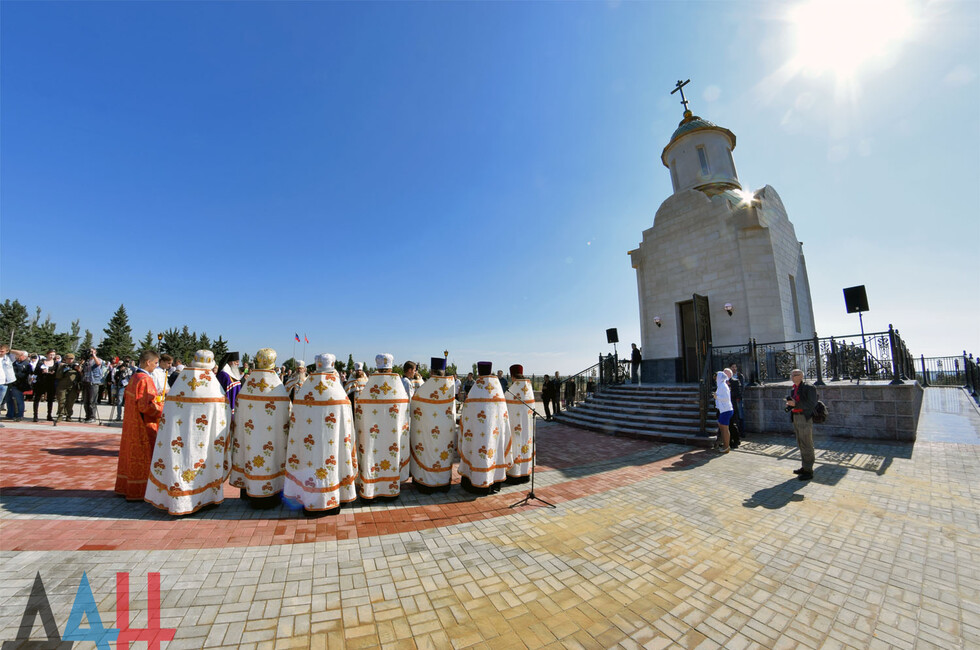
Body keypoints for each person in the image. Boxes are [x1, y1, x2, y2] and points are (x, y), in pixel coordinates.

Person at [145, 350, 231, 515]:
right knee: (204, 466)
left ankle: (177, 501)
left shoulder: (181, 382)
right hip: (204, 442)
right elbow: (224, 414)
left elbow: (167, 413)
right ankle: (205, 499)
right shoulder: (214, 387)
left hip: (179, 439)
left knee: (180, 464)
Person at [283, 353, 358, 515]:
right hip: (332, 445)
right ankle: (332, 501)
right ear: (332, 365)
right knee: (331, 467)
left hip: (309, 447)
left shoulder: (306, 387)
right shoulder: (337, 390)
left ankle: (310, 501)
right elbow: (347, 422)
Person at [231, 348, 292, 509]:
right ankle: (270, 495)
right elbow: (288, 412)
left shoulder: (248, 386)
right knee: (272, 459)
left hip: (251, 439)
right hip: (272, 440)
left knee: (250, 454)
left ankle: (248, 491)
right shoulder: (278, 388)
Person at [354, 353, 410, 499]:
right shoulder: (398, 387)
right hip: (392, 438)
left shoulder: (369, 386)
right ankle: (391, 492)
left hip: (372, 439)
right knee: (392, 456)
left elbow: (359, 412)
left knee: (371, 455)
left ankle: (370, 492)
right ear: (391, 368)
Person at [114, 350, 165, 500]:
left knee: (130, 455)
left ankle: (126, 486)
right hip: (143, 426)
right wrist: (161, 406)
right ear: (148, 362)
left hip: (132, 423)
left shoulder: (135, 377)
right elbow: (146, 406)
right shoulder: (145, 379)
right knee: (143, 457)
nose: (156, 366)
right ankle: (140, 490)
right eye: (155, 363)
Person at [458, 361, 512, 495]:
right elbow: (504, 415)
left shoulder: (476, 389)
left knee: (476, 453)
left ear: (479, 371)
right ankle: (494, 482)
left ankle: (475, 482)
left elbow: (466, 411)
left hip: (476, 434)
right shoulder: (498, 389)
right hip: (494, 433)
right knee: (494, 453)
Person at [409, 356, 457, 493]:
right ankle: (442, 484)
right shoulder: (451, 387)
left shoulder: (424, 389)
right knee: (443, 454)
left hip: (428, 432)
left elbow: (415, 407)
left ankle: (426, 484)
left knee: (428, 453)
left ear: (431, 372)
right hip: (445, 433)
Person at [786, 368, 818, 481]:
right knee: (800, 442)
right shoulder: (794, 388)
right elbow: (796, 403)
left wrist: (796, 404)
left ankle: (809, 470)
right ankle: (805, 467)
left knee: (807, 443)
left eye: (796, 374)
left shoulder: (809, 387)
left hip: (804, 417)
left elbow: (811, 403)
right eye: (792, 374)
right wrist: (790, 404)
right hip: (796, 417)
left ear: (801, 376)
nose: (793, 376)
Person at [504, 364, 535, 484]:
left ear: (512, 376)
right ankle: (525, 474)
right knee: (525, 447)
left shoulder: (511, 391)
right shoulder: (529, 390)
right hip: (527, 429)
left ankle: (514, 475)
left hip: (514, 428)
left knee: (516, 448)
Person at [0, 345, 27, 425]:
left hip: (4, 383)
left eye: (2, 351)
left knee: (0, 402)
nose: (0, 353)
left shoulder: (9, 358)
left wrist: (9, 350)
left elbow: (20, 353)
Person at [53, 353, 81, 425]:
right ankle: (60, 415)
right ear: (65, 359)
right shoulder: (62, 366)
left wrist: (79, 369)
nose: (70, 360)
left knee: (70, 401)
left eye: (71, 359)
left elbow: (81, 377)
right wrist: (61, 368)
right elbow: (58, 376)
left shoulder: (76, 367)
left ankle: (69, 415)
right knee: (61, 401)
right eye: (68, 359)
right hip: (62, 386)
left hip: (73, 386)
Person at [31, 349, 58, 422]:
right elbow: (35, 371)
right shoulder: (41, 362)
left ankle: (49, 415)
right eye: (50, 354)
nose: (52, 356)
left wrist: (53, 373)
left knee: (50, 399)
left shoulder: (56, 363)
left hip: (50, 382)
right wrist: (42, 371)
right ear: (47, 354)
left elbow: (58, 373)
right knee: (37, 398)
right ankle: (35, 415)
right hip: (41, 382)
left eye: (53, 355)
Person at [4, 350, 31, 422]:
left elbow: (25, 375)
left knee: (19, 401)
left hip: (19, 385)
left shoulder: (26, 364)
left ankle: (20, 415)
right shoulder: (15, 363)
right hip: (11, 383)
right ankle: (10, 414)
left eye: (20, 355)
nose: (17, 357)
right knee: (9, 400)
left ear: (24, 356)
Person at [81, 348, 103, 422]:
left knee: (92, 401)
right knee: (85, 401)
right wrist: (81, 363)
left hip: (93, 382)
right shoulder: (86, 361)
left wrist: (93, 355)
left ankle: (92, 417)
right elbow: (81, 370)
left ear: (95, 352)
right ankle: (87, 416)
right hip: (86, 381)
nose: (90, 353)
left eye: (92, 351)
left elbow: (98, 363)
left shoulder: (98, 359)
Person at [714, 368, 734, 453]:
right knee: (722, 426)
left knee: (725, 428)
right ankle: (725, 445)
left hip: (726, 410)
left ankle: (726, 446)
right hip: (723, 410)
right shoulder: (721, 385)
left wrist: (717, 397)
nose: (715, 380)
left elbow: (726, 398)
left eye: (716, 378)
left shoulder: (723, 386)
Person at [729, 363, 746, 436]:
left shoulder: (740, 376)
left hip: (738, 398)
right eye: (732, 367)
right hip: (731, 398)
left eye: (735, 367)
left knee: (740, 414)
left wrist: (739, 396)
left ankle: (742, 431)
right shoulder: (729, 377)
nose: (734, 368)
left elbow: (742, 387)